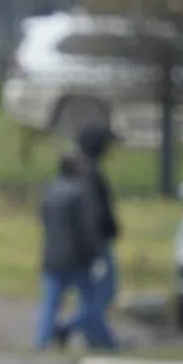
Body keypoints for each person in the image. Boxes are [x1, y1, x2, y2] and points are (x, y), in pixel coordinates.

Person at [34, 153, 116, 350]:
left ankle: (41, 343)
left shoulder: (50, 191)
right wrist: (96, 256)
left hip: (51, 259)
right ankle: (104, 341)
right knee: (91, 302)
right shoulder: (80, 194)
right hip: (77, 260)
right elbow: (88, 229)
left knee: (50, 304)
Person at [74, 121, 121, 322]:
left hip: (95, 241)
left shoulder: (87, 172)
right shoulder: (90, 176)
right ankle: (72, 326)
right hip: (97, 243)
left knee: (96, 292)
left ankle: (90, 330)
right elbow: (93, 212)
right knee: (103, 291)